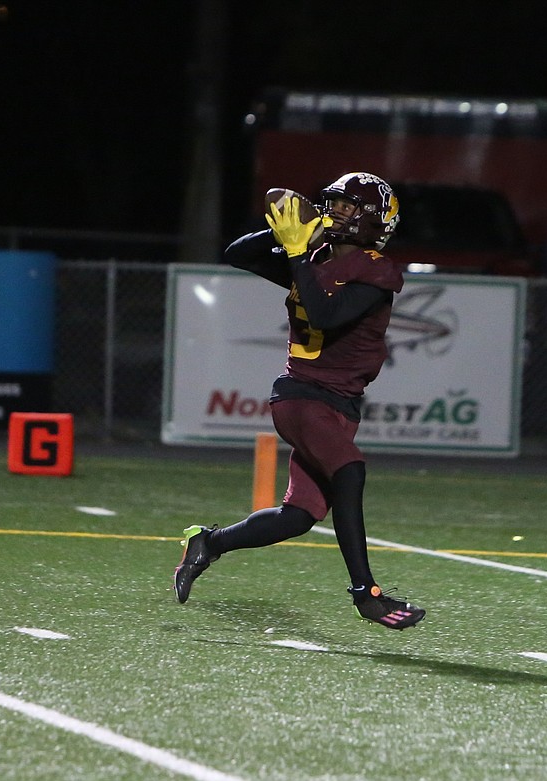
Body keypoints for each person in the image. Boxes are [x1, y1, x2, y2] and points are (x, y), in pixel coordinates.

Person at [173, 172, 426, 630]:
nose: (335, 212)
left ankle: (209, 543)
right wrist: (287, 236)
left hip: (341, 405)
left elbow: (329, 310)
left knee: (299, 516)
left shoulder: (377, 269)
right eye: (333, 204)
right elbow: (238, 254)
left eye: (348, 207)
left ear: (374, 220)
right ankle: (365, 594)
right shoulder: (308, 258)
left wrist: (298, 254)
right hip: (303, 395)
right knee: (350, 471)